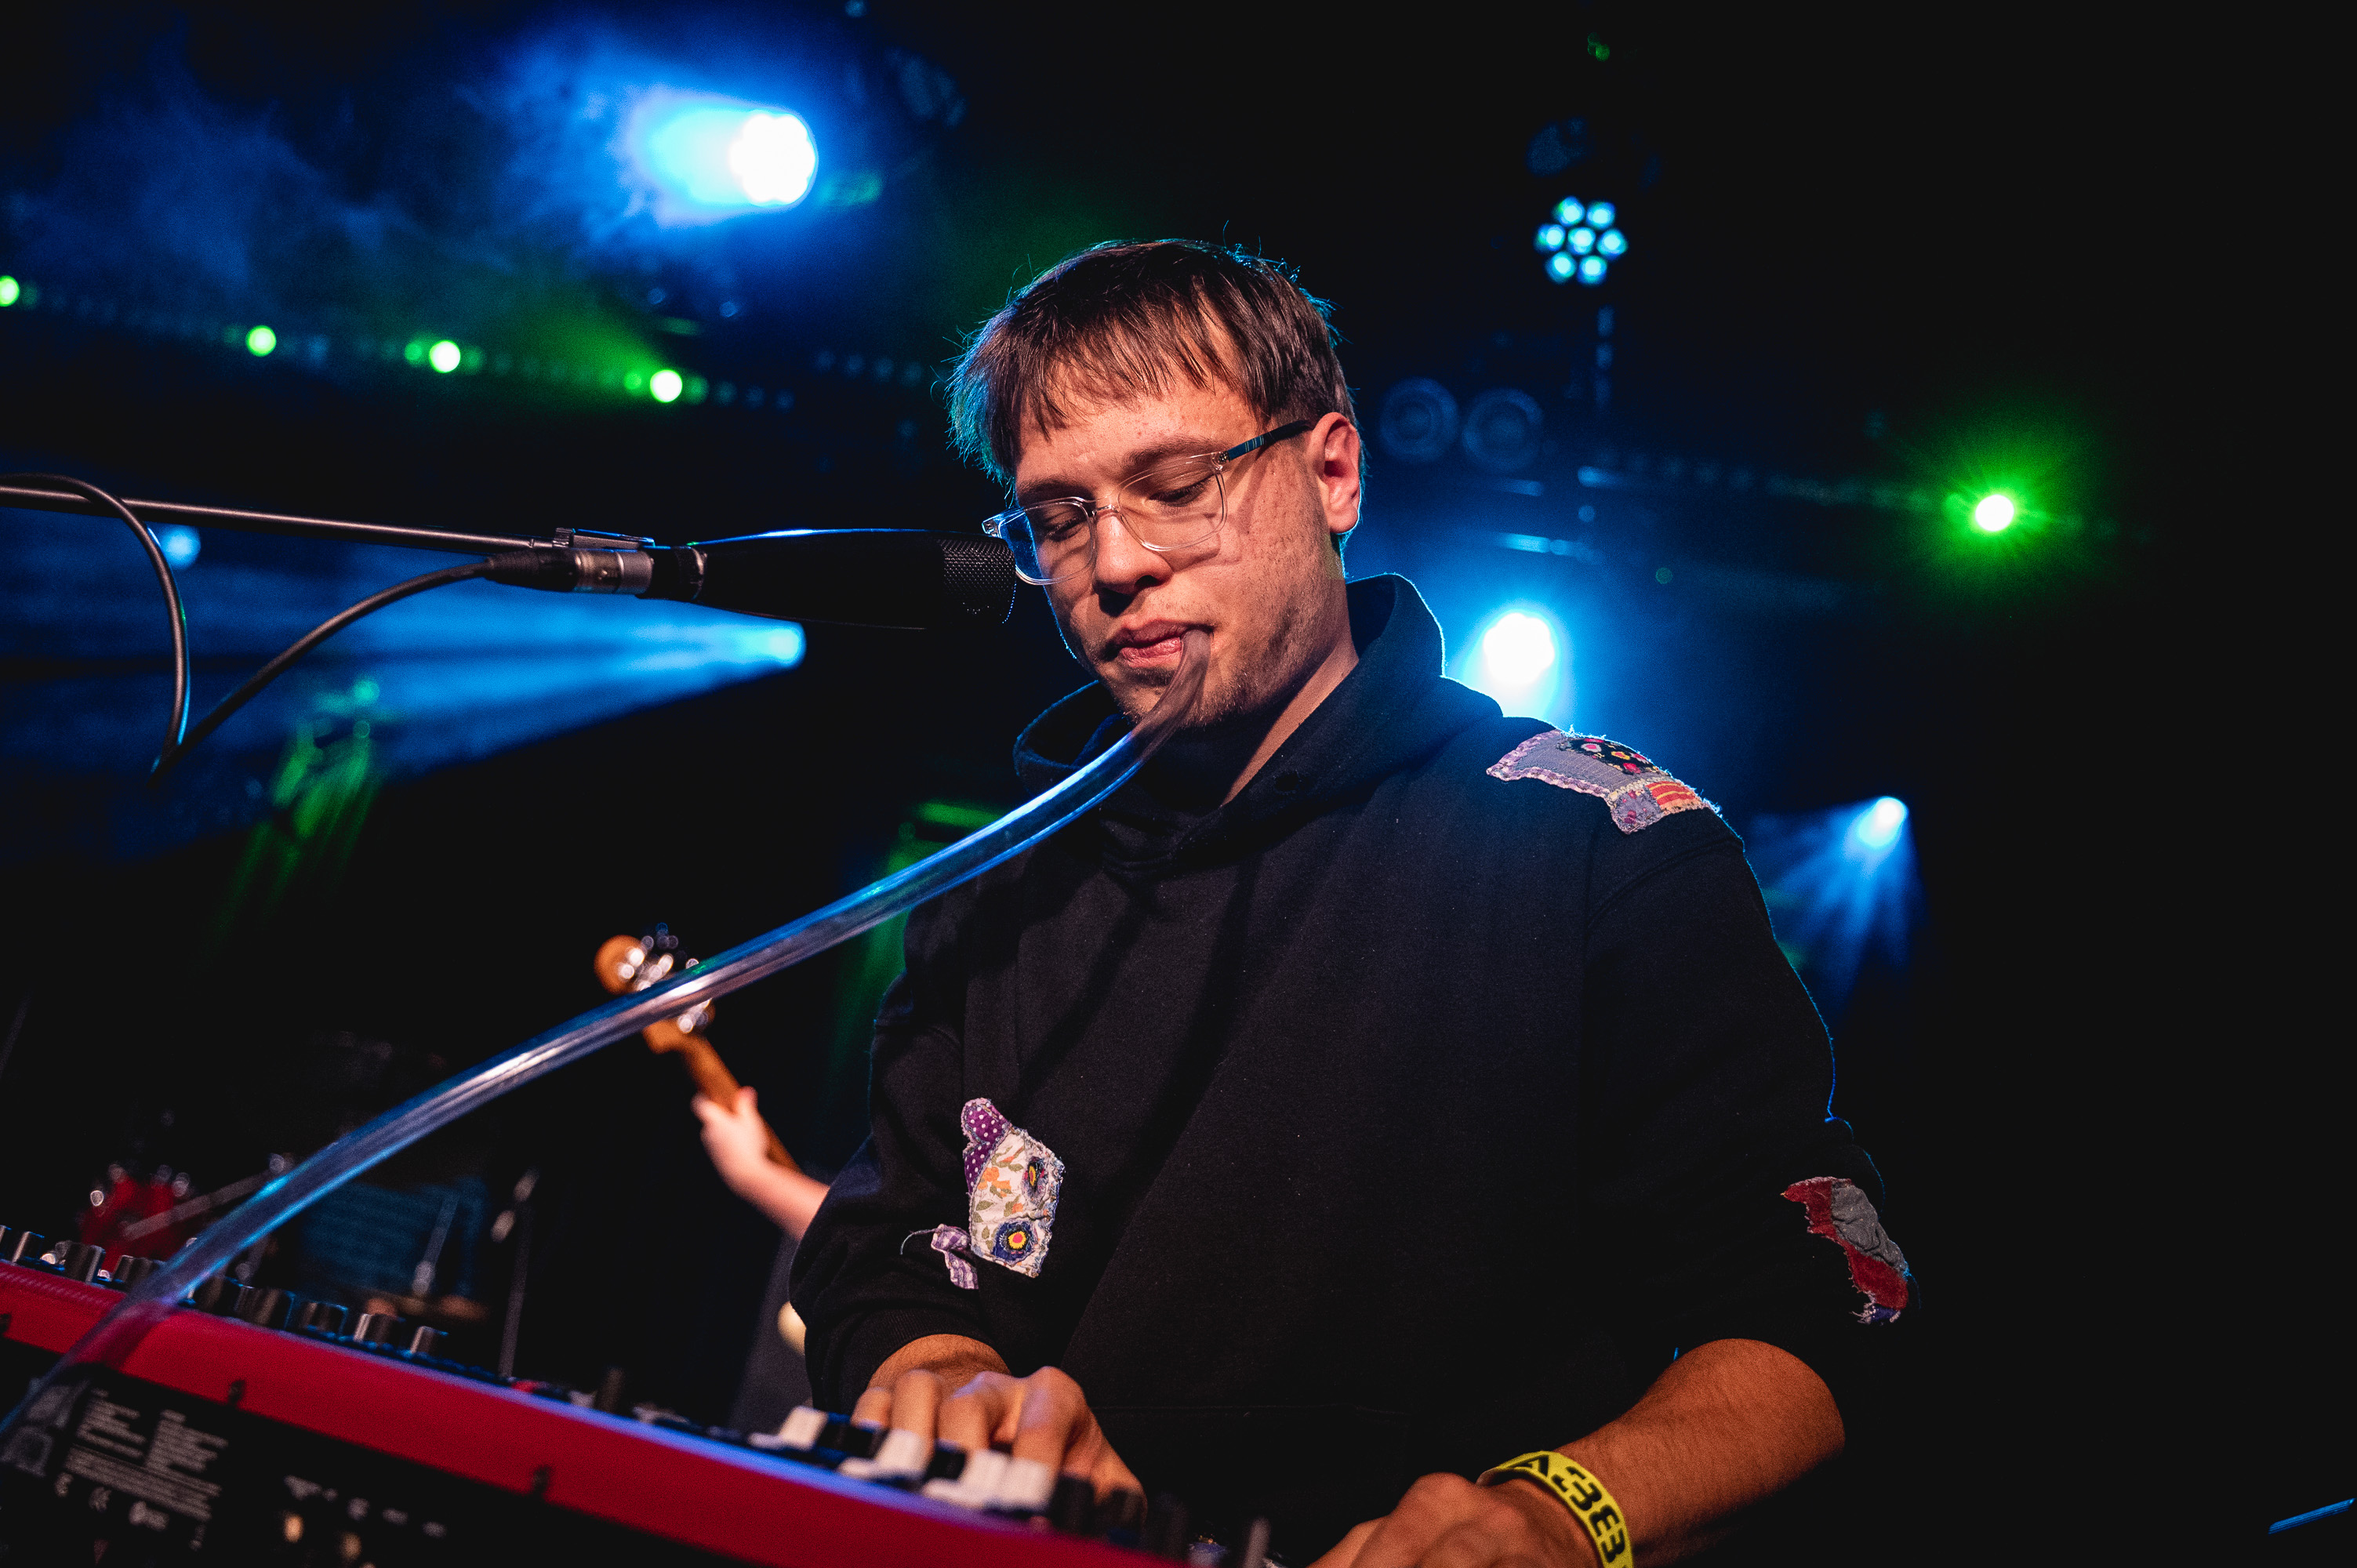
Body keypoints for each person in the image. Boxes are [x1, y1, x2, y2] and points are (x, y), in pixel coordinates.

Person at [790, 241, 1910, 1566]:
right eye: (1060, 517)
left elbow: (1826, 1302)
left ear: (1332, 472)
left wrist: (1560, 1513)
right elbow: (886, 1257)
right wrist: (945, 1373)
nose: (1115, 562)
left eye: (1174, 488)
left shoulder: (1601, 847)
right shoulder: (999, 891)